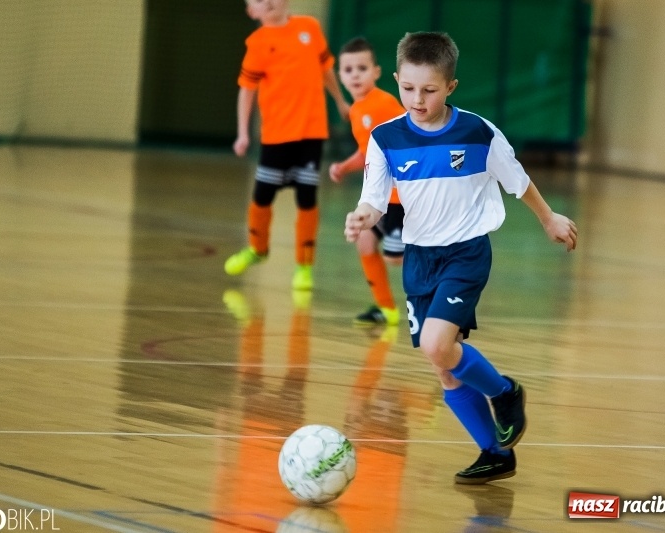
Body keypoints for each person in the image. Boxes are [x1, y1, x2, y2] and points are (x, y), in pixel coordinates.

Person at [344, 32, 577, 484]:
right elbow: (374, 200)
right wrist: (362, 217)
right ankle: (495, 453)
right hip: (419, 258)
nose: (417, 99)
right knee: (443, 364)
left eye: (429, 90)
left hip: (466, 253)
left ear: (450, 86)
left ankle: (506, 392)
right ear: (395, 80)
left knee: (436, 345)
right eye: (407, 88)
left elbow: (518, 181)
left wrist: (549, 219)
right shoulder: (385, 138)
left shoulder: (478, 132)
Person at [225, 0, 349, 290]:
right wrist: (243, 132)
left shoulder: (309, 28)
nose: (267, 2)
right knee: (262, 196)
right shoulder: (257, 43)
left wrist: (341, 101)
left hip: (311, 132)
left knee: (307, 198)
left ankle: (304, 265)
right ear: (251, 11)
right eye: (258, 1)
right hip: (276, 135)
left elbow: (326, 69)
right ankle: (257, 248)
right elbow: (247, 91)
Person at [330, 37, 406, 327]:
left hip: (402, 195)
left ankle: (436, 261)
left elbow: (409, 138)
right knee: (364, 240)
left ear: (376, 72)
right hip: (382, 196)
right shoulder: (357, 110)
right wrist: (345, 166)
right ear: (340, 76)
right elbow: (367, 152)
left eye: (362, 68)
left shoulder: (384, 104)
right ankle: (386, 309)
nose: (355, 74)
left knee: (395, 258)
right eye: (348, 70)